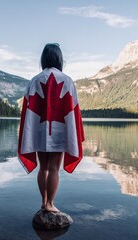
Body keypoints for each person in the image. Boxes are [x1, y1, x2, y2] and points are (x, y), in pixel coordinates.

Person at [18, 43, 84, 213]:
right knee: (54, 168)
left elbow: (28, 111)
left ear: (43, 59)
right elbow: (74, 111)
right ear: (60, 59)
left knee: (43, 168)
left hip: (39, 130)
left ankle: (43, 202)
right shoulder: (67, 81)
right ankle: (50, 204)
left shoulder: (34, 80)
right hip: (60, 130)